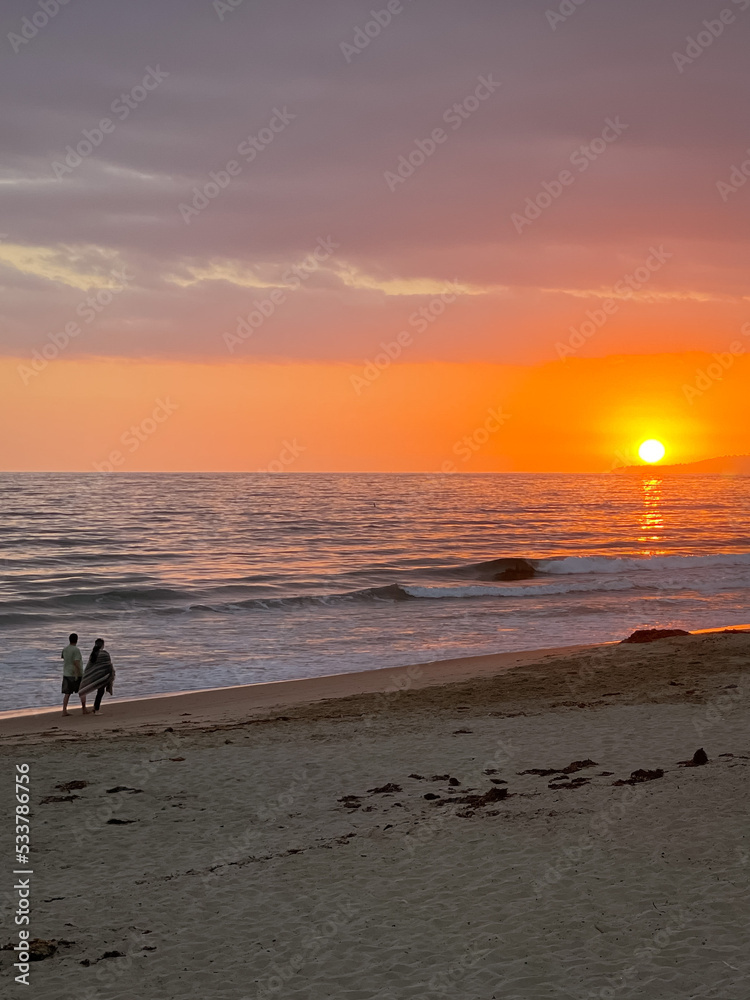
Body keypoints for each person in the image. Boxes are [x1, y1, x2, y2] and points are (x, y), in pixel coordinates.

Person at [79, 638, 116, 714]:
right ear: (102, 645)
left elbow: (90, 667)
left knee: (100, 692)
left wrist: (87, 675)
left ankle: (95, 708)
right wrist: (111, 674)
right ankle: (96, 709)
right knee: (100, 692)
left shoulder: (93, 654)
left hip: (95, 676)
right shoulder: (105, 654)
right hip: (103, 676)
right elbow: (108, 664)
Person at [60, 633, 83, 716]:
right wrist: (79, 672)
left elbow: (63, 657)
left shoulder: (65, 649)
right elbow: (76, 662)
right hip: (75, 674)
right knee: (82, 691)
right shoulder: (76, 650)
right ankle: (84, 709)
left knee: (67, 693)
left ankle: (64, 710)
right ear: (77, 640)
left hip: (66, 673)